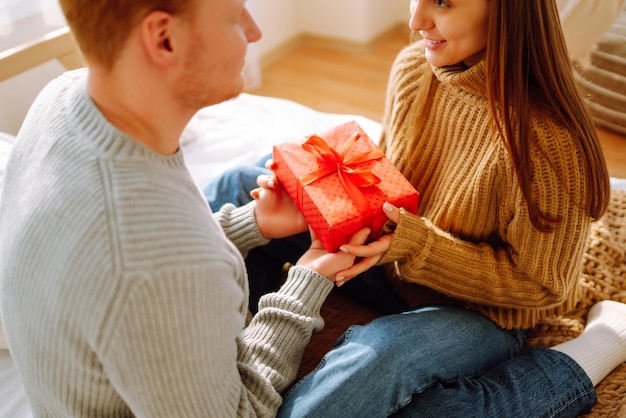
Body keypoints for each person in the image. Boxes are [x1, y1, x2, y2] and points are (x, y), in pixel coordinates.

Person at [204, 0, 626, 416]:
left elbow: (540, 287)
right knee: (237, 185)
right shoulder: (413, 68)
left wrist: (415, 243)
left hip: (484, 311)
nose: (415, 19)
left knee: (369, 368)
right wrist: (339, 190)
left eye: (442, 2)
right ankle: (235, 361)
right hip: (390, 264)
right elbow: (392, 175)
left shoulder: (549, 141)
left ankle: (597, 347)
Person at [0, 0, 377, 416]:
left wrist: (252, 222)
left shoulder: (61, 96)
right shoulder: (154, 268)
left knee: (243, 181)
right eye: (236, 17)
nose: (254, 33)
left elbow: (146, 243)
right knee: (424, 339)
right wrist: (307, 281)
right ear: (164, 39)